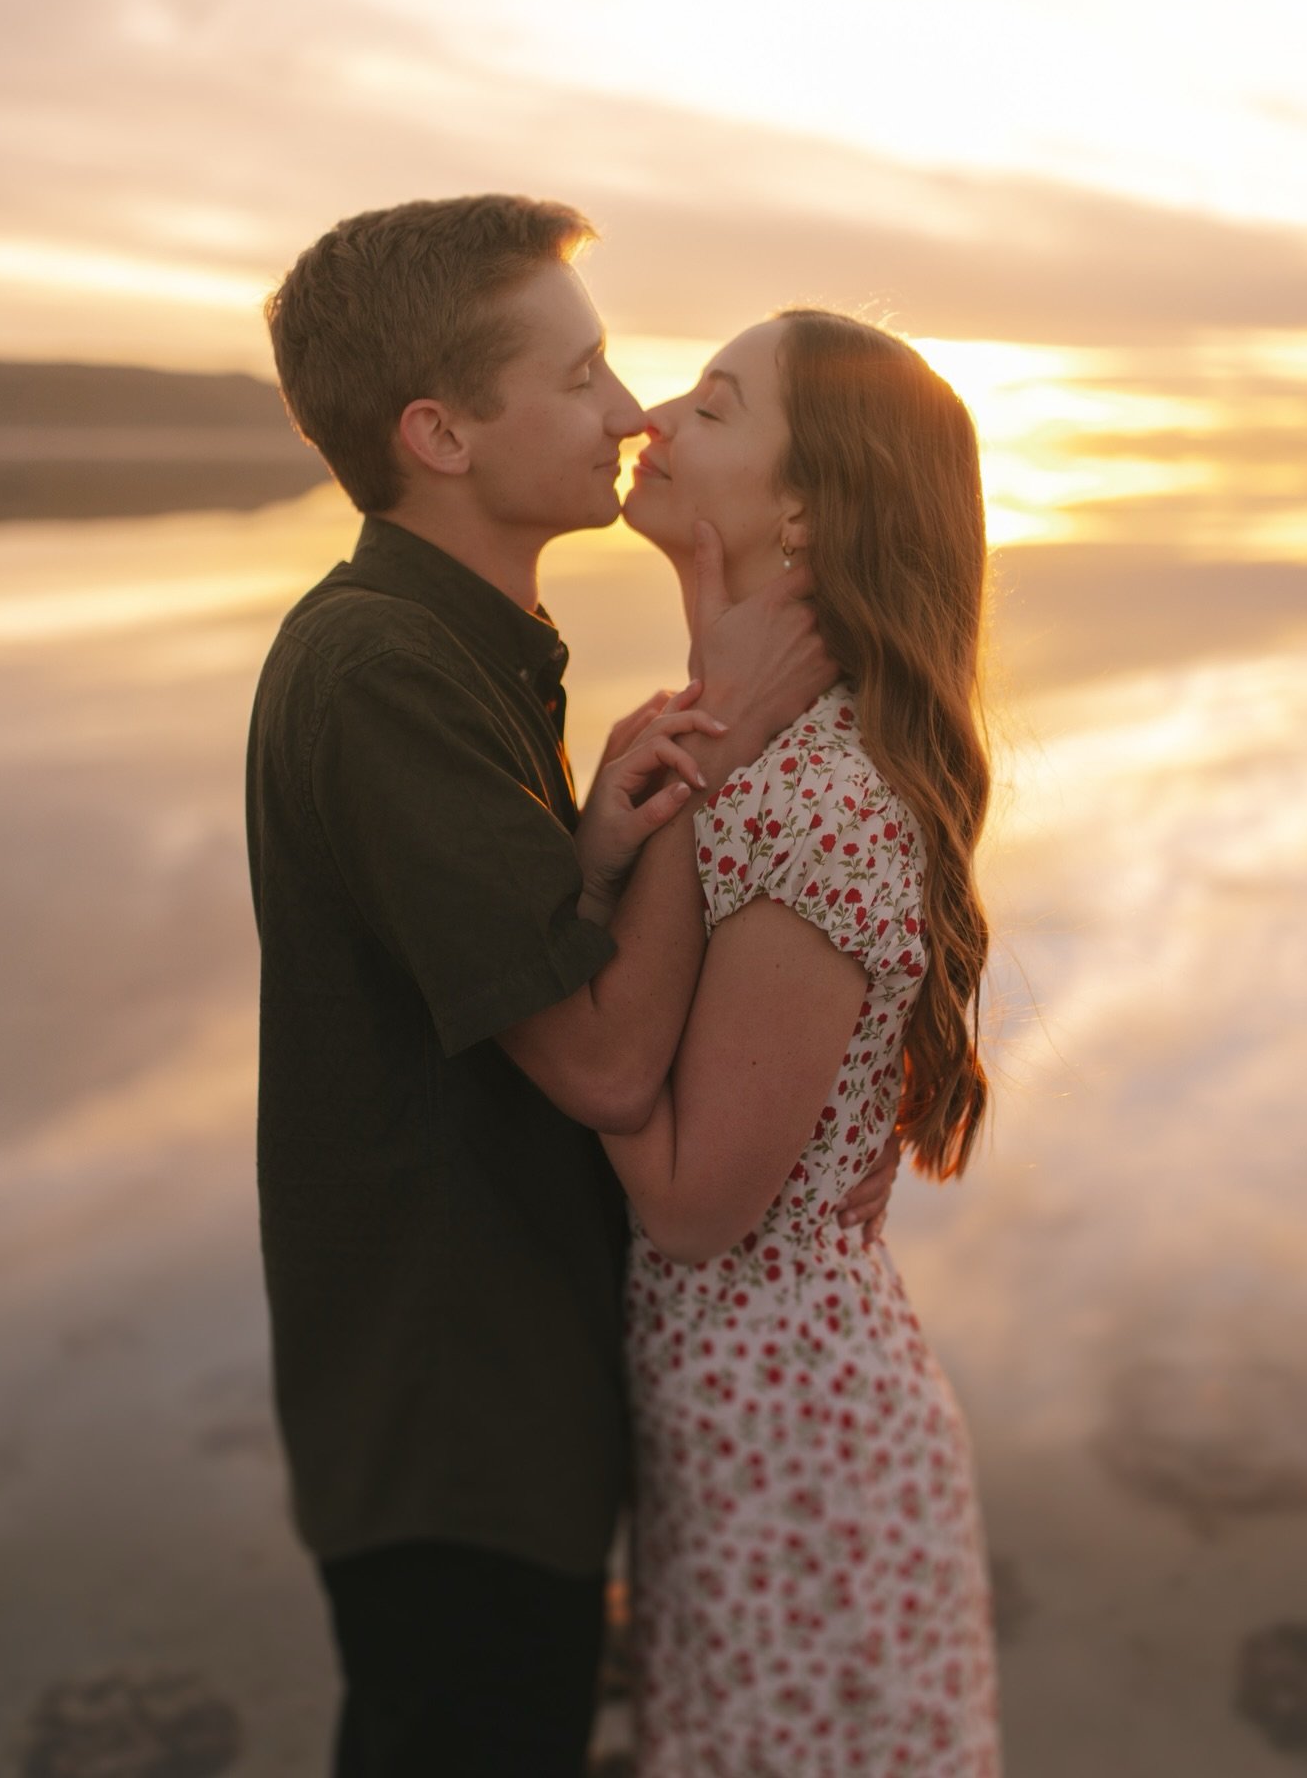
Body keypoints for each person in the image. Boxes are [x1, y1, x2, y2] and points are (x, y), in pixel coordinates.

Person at [246, 196, 897, 1777]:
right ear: (441, 435)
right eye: (580, 374)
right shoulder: (385, 670)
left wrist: (599, 859)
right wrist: (723, 739)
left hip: (496, 1396)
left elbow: (513, 975)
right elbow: (603, 1067)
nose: (628, 411)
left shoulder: (470, 650)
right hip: (457, 1420)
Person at [604, 311, 1002, 1774]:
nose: (651, 414)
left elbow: (693, 1203)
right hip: (757, 1409)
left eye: (712, 404)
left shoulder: (813, 796)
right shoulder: (737, 746)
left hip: (786, 1439)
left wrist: (522, 992)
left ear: (805, 515)